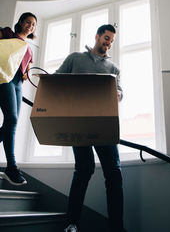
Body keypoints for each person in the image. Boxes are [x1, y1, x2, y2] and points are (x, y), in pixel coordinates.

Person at [56, 24, 124, 232]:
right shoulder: (75, 58)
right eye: (106, 38)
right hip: (78, 124)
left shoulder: (114, 69)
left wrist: (118, 94)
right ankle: (71, 223)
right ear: (97, 36)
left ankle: (116, 227)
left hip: (104, 124)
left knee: (114, 173)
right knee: (84, 170)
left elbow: (120, 93)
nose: (108, 43)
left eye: (111, 40)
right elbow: (56, 80)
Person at [0, 12, 37, 185]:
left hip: (17, 84)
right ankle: (12, 166)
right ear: (21, 23)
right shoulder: (8, 33)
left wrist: (27, 72)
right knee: (12, 118)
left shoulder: (29, 49)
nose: (31, 26)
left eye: (34, 24)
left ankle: (11, 167)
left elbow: (27, 68)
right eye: (28, 22)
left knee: (12, 123)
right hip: (4, 78)